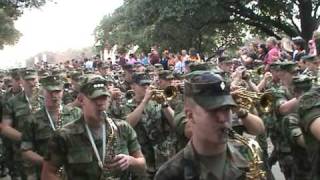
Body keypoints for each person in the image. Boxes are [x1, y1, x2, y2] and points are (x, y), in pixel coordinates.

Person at [155, 71, 265, 180]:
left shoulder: (247, 153)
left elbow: (259, 128)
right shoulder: (170, 174)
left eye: (227, 109)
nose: (223, 118)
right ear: (190, 116)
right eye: (213, 110)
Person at [41, 74, 146, 180]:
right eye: (95, 99)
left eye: (104, 97)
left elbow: (142, 164)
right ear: (81, 100)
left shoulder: (123, 128)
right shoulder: (64, 135)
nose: (101, 103)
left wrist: (131, 161)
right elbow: (48, 173)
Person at [20, 75, 82, 179]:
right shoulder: (32, 120)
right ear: (42, 92)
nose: (54, 95)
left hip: (75, 173)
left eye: (58, 91)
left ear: (63, 92)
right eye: (50, 92)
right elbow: (26, 151)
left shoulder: (76, 114)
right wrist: (48, 164)